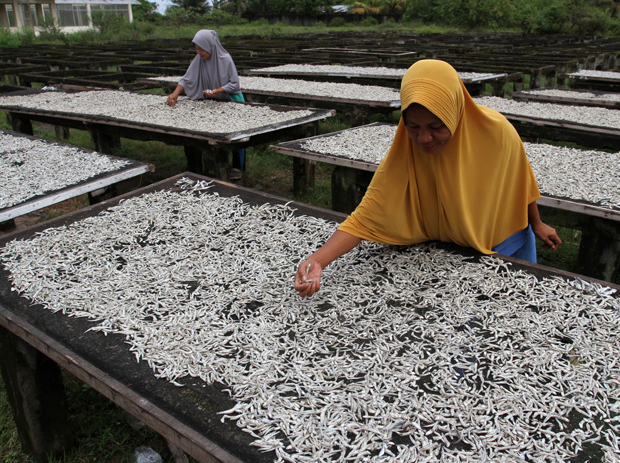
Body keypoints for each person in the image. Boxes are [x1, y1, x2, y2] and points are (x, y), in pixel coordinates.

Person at [294, 59, 562, 298]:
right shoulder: (406, 150)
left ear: (455, 113)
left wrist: (537, 224)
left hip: (506, 243)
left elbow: (520, 179)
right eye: (413, 126)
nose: (423, 138)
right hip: (452, 254)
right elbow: (366, 216)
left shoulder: (497, 132)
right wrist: (318, 261)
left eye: (436, 127)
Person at [166, 29, 246, 181]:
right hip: (213, 101)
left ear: (210, 46)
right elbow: (187, 78)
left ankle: (238, 166)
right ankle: (211, 163)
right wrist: (175, 93)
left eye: (201, 49)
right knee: (216, 132)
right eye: (196, 49)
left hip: (231, 99)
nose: (199, 52)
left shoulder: (225, 59)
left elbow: (234, 83)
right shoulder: (199, 59)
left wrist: (218, 90)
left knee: (237, 134)